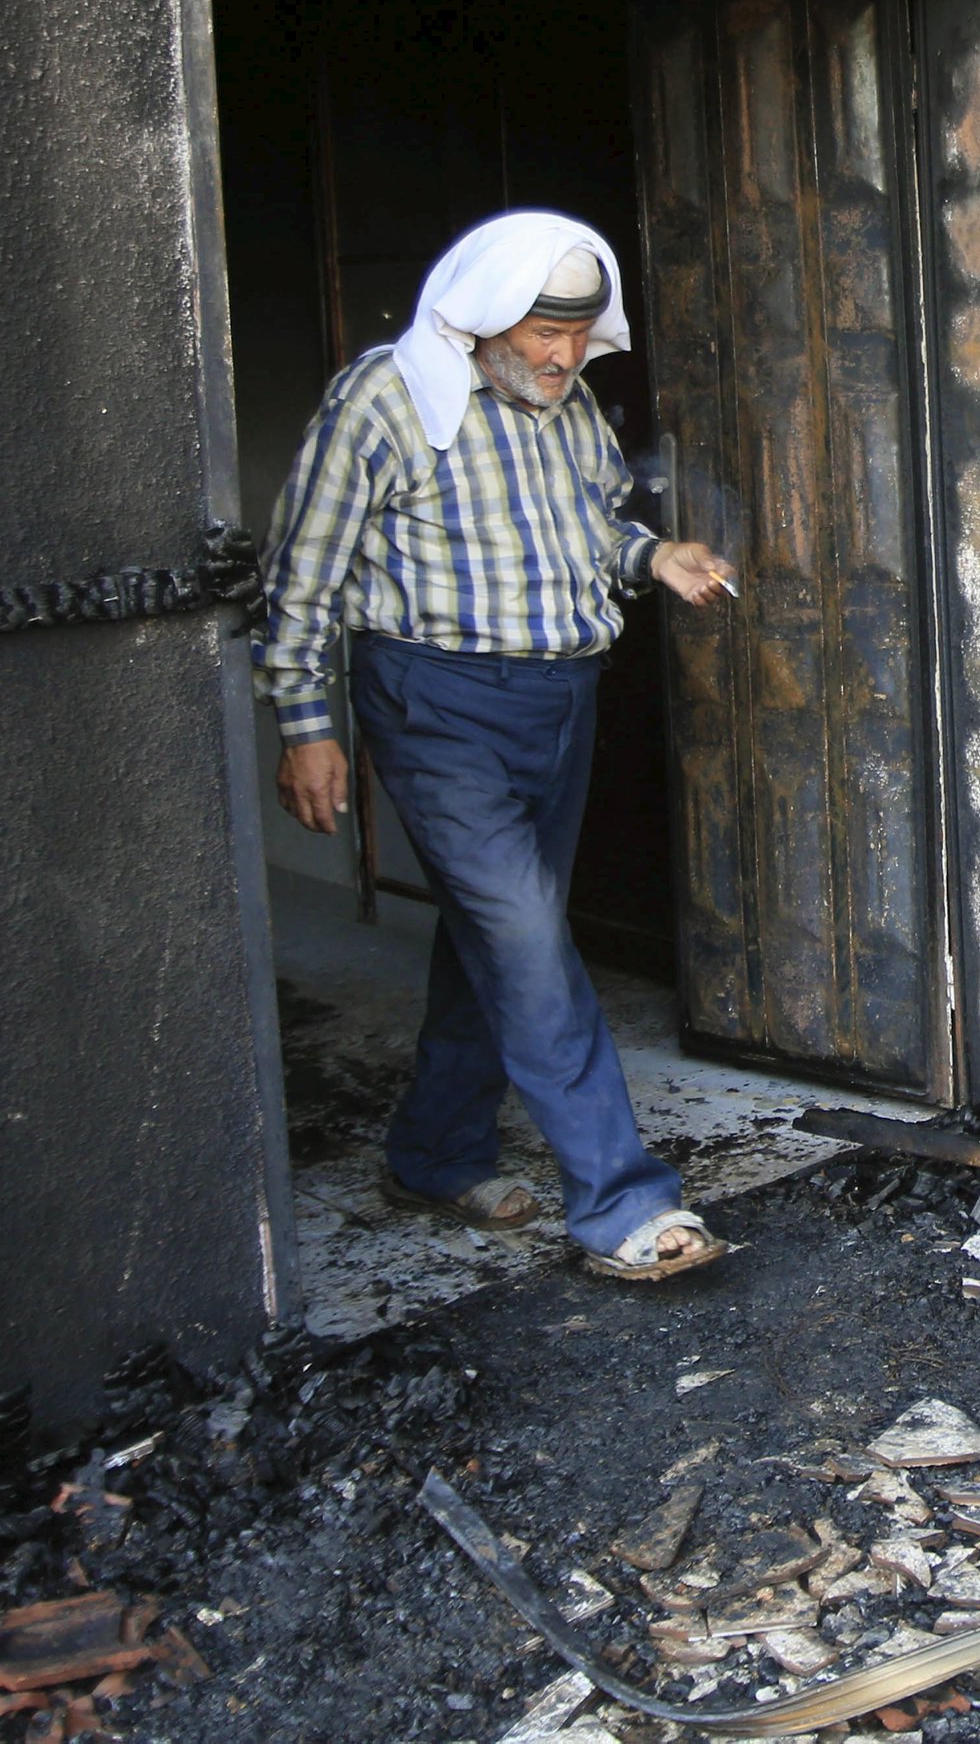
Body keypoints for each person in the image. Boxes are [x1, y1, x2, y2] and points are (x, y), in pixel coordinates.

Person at [256, 210, 738, 1281]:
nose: (562, 355)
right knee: (526, 940)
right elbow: (301, 574)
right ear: (481, 318)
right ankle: (622, 1200)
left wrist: (653, 556)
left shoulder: (566, 410)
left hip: (556, 702)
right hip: (435, 704)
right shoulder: (386, 397)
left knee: (498, 937)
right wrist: (305, 725)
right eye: (539, 332)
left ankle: (433, 1153)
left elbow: (589, 530)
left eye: (576, 333)